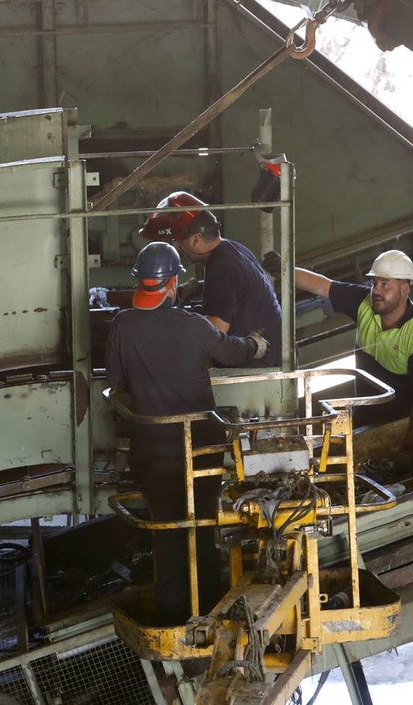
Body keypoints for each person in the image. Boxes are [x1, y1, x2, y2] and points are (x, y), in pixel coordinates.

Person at [106, 241, 269, 623]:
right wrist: (256, 344)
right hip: (200, 449)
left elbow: (117, 384)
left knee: (166, 529)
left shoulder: (122, 325)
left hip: (153, 450)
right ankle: (207, 608)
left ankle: (172, 610)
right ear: (172, 283)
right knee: (202, 524)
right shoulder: (193, 326)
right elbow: (233, 351)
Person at [265, 249, 413, 464]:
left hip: (402, 420)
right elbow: (323, 286)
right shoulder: (364, 303)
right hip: (367, 415)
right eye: (374, 283)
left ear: (404, 289)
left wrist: (409, 450)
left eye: (385, 284)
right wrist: (286, 269)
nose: (376, 290)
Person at [139, 191, 281, 367]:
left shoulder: (221, 267)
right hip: (274, 353)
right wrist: (198, 287)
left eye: (178, 241)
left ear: (195, 239)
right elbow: (235, 287)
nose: (179, 247)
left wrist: (176, 323)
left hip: (263, 365)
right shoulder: (231, 248)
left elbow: (215, 333)